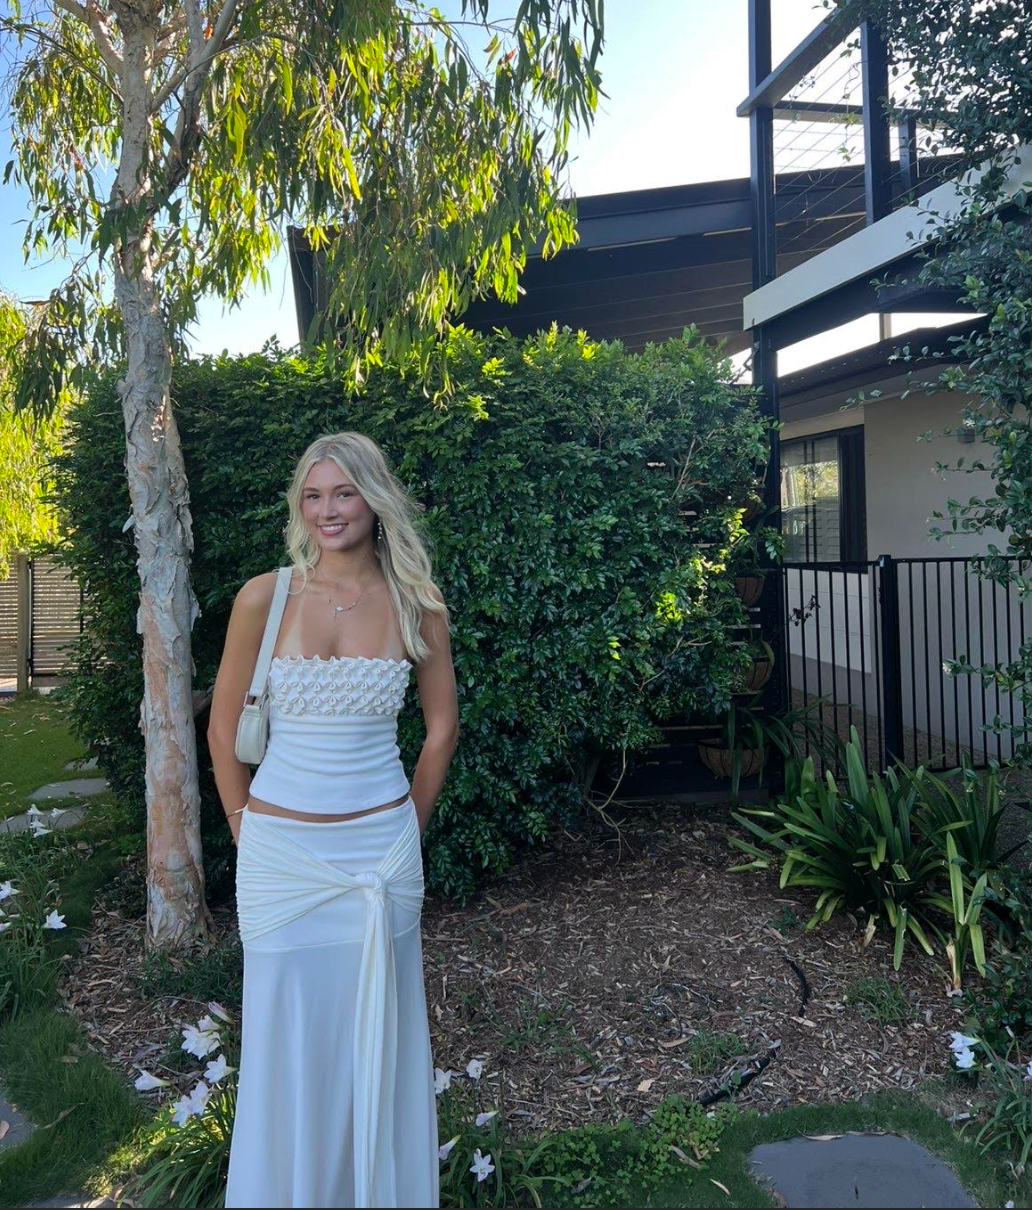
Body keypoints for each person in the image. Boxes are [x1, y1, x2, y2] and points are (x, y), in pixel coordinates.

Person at [206, 431, 459, 1209]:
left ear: (373, 500)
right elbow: (221, 731)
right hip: (281, 861)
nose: (328, 510)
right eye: (313, 496)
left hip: (381, 860)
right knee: (286, 1046)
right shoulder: (265, 596)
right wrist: (246, 832)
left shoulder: (417, 602)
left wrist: (406, 832)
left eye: (343, 493)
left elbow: (441, 729)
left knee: (377, 1040)